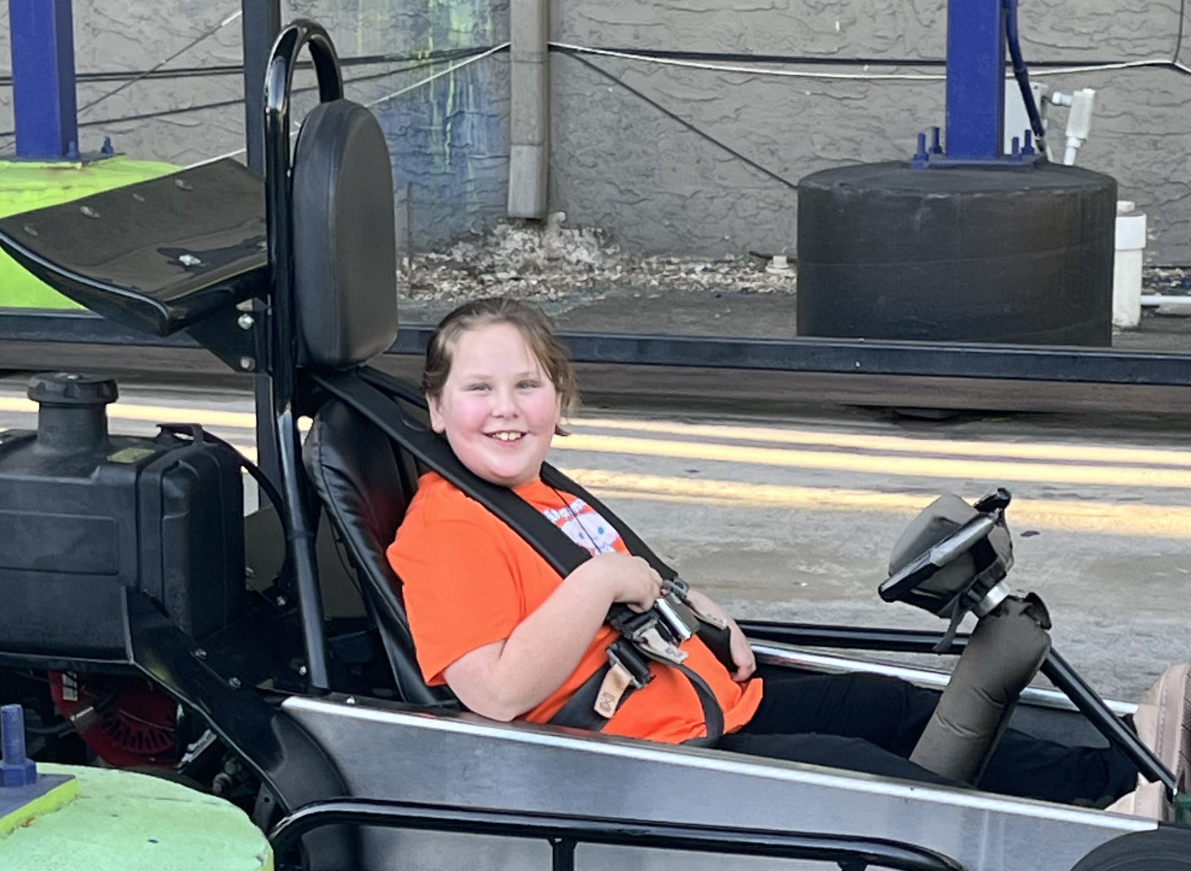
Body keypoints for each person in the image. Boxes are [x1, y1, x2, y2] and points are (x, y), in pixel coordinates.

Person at [387, 297, 1133, 805]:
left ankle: (1112, 780)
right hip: (654, 759)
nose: (507, 408)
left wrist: (693, 608)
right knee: (878, 780)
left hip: (709, 700)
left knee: (889, 706)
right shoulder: (449, 526)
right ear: (436, 409)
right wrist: (603, 579)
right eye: (479, 388)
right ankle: (1096, 836)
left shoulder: (540, 493)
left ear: (559, 398)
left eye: (527, 384)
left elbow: (629, 590)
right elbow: (497, 693)